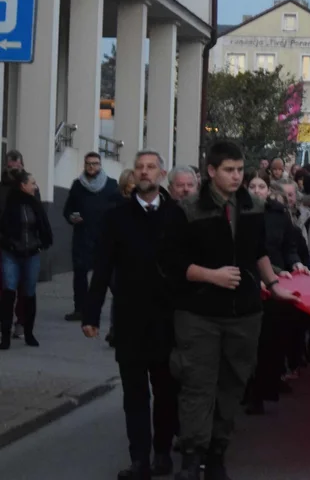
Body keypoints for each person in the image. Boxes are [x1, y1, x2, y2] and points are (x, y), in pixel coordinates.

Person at [163, 141, 299, 479]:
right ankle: (193, 458)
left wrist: (273, 285)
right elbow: (171, 262)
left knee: (232, 385)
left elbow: (259, 251)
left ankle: (217, 454)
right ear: (211, 171)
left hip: (244, 313)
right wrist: (212, 276)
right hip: (198, 312)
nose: (236, 176)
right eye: (229, 170)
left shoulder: (253, 206)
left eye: (240, 170)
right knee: (198, 384)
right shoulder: (188, 208)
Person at [82, 150, 177, 480]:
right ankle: (140, 460)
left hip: (167, 320)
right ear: (133, 175)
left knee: (166, 391)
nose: (145, 172)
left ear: (162, 174)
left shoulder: (176, 216)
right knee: (135, 394)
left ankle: (163, 451)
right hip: (130, 318)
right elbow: (104, 266)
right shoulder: (117, 217)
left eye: (151, 167)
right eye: (140, 167)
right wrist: (91, 315)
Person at [62, 151, 120, 323]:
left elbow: (118, 209)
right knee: (80, 274)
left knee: (109, 276)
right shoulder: (77, 185)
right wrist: (72, 217)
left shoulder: (111, 185)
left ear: (100, 165)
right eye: (88, 164)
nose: (91, 167)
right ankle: (80, 309)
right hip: (83, 236)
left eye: (95, 163)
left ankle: (120, 308)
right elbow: (68, 209)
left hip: (104, 238)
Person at [0, 170, 52, 349]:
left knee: (29, 293)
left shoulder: (34, 203)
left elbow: (42, 226)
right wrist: (9, 244)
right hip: (11, 253)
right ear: (23, 185)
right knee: (8, 291)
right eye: (32, 183)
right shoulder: (9, 203)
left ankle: (29, 333)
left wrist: (40, 243)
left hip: (31, 254)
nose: (35, 186)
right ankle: (5, 335)